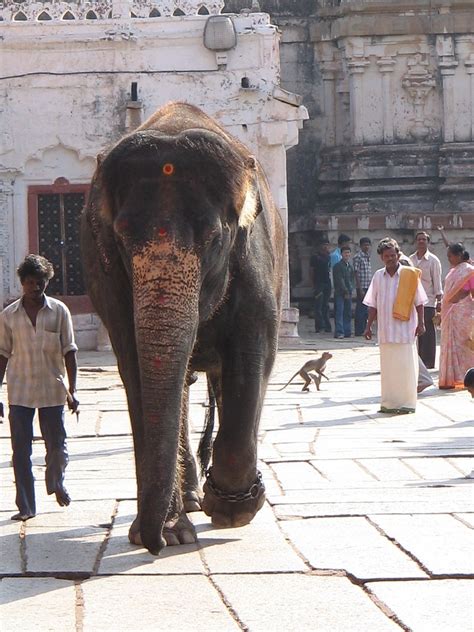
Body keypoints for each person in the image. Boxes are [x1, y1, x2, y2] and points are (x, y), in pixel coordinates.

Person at [0, 254, 79, 521]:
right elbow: (2, 355)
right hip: (19, 392)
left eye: (41, 283)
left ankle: (56, 481)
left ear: (47, 282)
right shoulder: (8, 316)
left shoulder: (59, 311)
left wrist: (74, 390)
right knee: (21, 451)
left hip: (52, 390)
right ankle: (26, 506)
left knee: (57, 446)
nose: (35, 288)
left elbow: (70, 352)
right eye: (31, 282)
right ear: (22, 283)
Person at [364, 238, 427, 414]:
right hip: (386, 330)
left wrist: (421, 323)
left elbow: (419, 302)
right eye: (387, 256)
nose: (390, 259)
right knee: (389, 369)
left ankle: (407, 403)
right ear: (381, 257)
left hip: (406, 330)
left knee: (406, 367)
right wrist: (368, 326)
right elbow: (372, 304)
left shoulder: (409, 274)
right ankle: (389, 403)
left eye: (393, 255)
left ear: (398, 255)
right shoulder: (378, 276)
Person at [438, 243, 474, 389]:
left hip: (463, 314)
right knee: (449, 345)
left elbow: (471, 292)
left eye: (450, 256)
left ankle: (467, 377)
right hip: (450, 313)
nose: (449, 259)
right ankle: (451, 378)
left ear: (459, 255)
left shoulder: (469, 271)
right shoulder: (454, 271)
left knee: (465, 345)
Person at [409, 232, 443, 369]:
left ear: (428, 242)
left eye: (424, 239)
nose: (421, 242)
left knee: (428, 333)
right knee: (415, 332)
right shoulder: (411, 259)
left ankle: (428, 363)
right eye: (419, 239)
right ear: (416, 242)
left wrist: (439, 301)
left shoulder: (433, 260)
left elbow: (437, 282)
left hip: (428, 301)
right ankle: (418, 362)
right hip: (412, 301)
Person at [310, 239, 332, 333]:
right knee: (318, 306)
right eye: (324, 245)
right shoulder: (315, 257)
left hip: (327, 283)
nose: (325, 247)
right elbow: (311, 270)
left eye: (327, 245)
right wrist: (312, 284)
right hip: (318, 284)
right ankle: (319, 326)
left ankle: (327, 326)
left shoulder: (329, 257)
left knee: (325, 305)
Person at [333, 245, 354, 339]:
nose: (347, 254)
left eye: (348, 252)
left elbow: (351, 279)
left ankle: (347, 331)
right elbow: (339, 280)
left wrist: (350, 289)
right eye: (345, 253)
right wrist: (345, 290)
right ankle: (339, 332)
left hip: (348, 292)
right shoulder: (338, 266)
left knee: (348, 313)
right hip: (340, 293)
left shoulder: (350, 266)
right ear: (341, 254)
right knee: (339, 312)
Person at [352, 237, 372, 336]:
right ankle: (359, 330)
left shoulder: (367, 256)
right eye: (365, 245)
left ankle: (365, 328)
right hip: (361, 286)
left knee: (366, 310)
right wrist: (360, 289)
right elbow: (356, 273)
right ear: (361, 246)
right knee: (360, 309)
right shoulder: (358, 257)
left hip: (368, 286)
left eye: (368, 245)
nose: (367, 247)